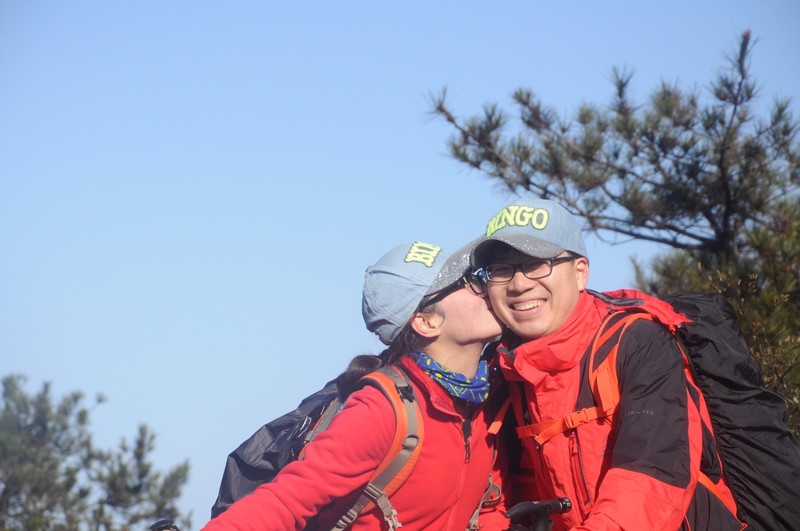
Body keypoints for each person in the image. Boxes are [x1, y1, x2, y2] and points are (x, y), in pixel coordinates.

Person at [469, 199, 743, 530]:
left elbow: (652, 475)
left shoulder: (637, 342)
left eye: (537, 264)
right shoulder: (502, 373)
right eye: (501, 270)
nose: (519, 284)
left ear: (580, 272)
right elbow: (497, 497)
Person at [202, 240, 511, 530]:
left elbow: (490, 509)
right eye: (467, 282)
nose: (485, 287)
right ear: (426, 322)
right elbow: (285, 501)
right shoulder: (382, 410)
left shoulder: (483, 403)